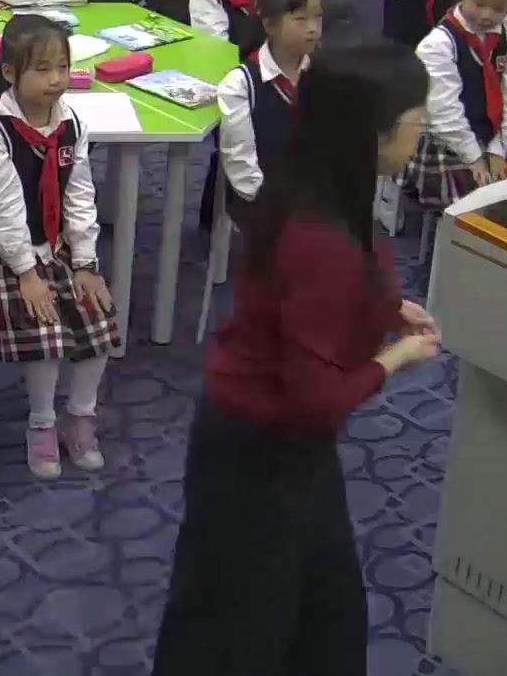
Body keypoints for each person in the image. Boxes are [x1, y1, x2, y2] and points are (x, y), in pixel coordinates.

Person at [153, 43, 443, 675]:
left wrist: (386, 307)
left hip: (283, 442)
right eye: (416, 119)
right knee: (244, 628)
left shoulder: (317, 188)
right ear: (374, 132)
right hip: (260, 447)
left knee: (323, 613)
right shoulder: (320, 238)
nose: (423, 130)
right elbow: (319, 398)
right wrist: (397, 357)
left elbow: (312, 299)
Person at [0, 15, 114, 479]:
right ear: (10, 72)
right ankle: (42, 422)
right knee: (47, 332)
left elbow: (80, 195)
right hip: (1, 257)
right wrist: (27, 273)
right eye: (42, 69)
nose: (56, 80)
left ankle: (79, 416)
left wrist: (86, 262)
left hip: (56, 249)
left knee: (99, 317)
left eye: (63, 67)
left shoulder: (71, 124)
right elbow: (1, 213)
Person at [404, 0, 507, 211]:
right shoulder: (439, 43)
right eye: (479, 4)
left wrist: (498, 149)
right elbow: (443, 111)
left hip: (489, 137)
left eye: (498, 8)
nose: (486, 15)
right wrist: (473, 156)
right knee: (475, 206)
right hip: (443, 139)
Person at [217, 0, 321, 224]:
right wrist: (280, 211)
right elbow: (241, 166)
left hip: (315, 203)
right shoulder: (241, 84)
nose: (313, 28)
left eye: (318, 17)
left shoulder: (323, 73)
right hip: (263, 209)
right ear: (269, 25)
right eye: (300, 19)